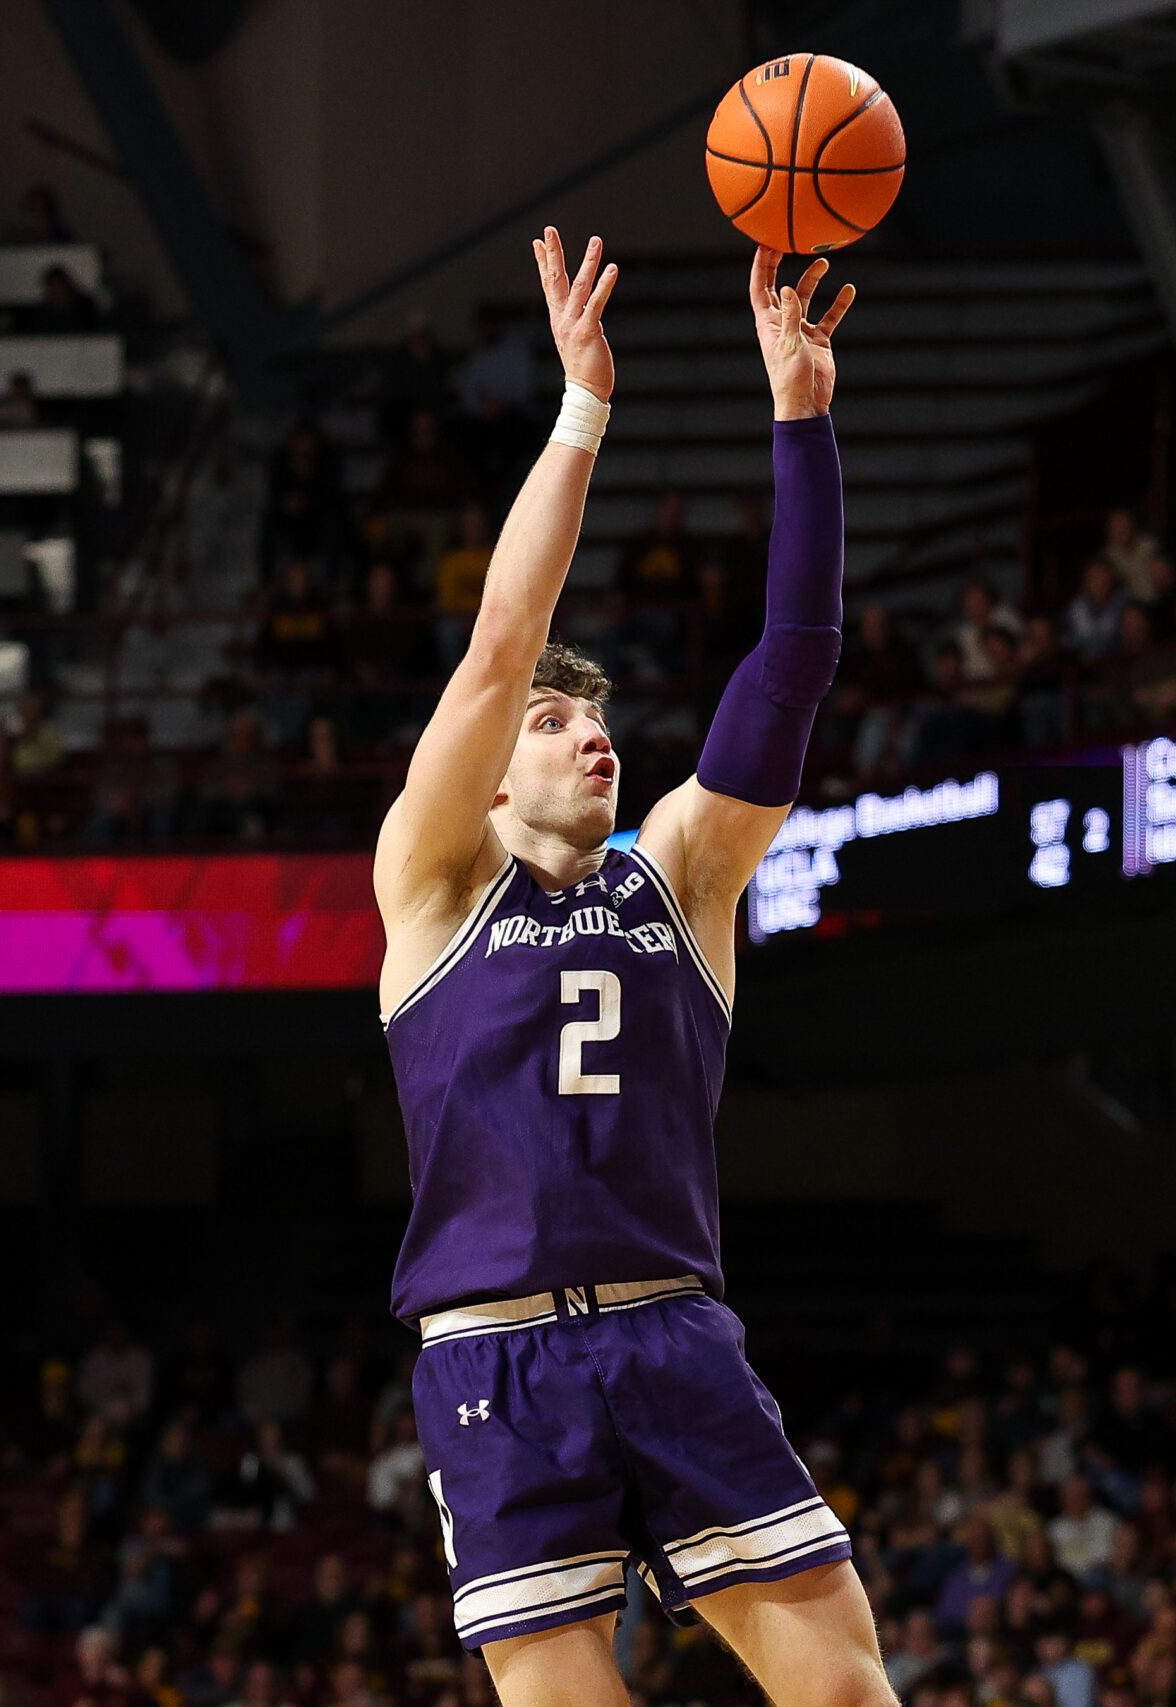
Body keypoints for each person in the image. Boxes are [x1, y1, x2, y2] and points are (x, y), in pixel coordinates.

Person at [371, 230, 893, 1706]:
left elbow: (795, 655)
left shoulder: (683, 873)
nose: (587, 732)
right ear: (485, 778)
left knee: (850, 1691)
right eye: (551, 724)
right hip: (497, 1357)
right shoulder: (430, 884)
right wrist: (582, 407)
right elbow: (499, 641)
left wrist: (802, 413)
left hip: (672, 1326)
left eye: (597, 722)